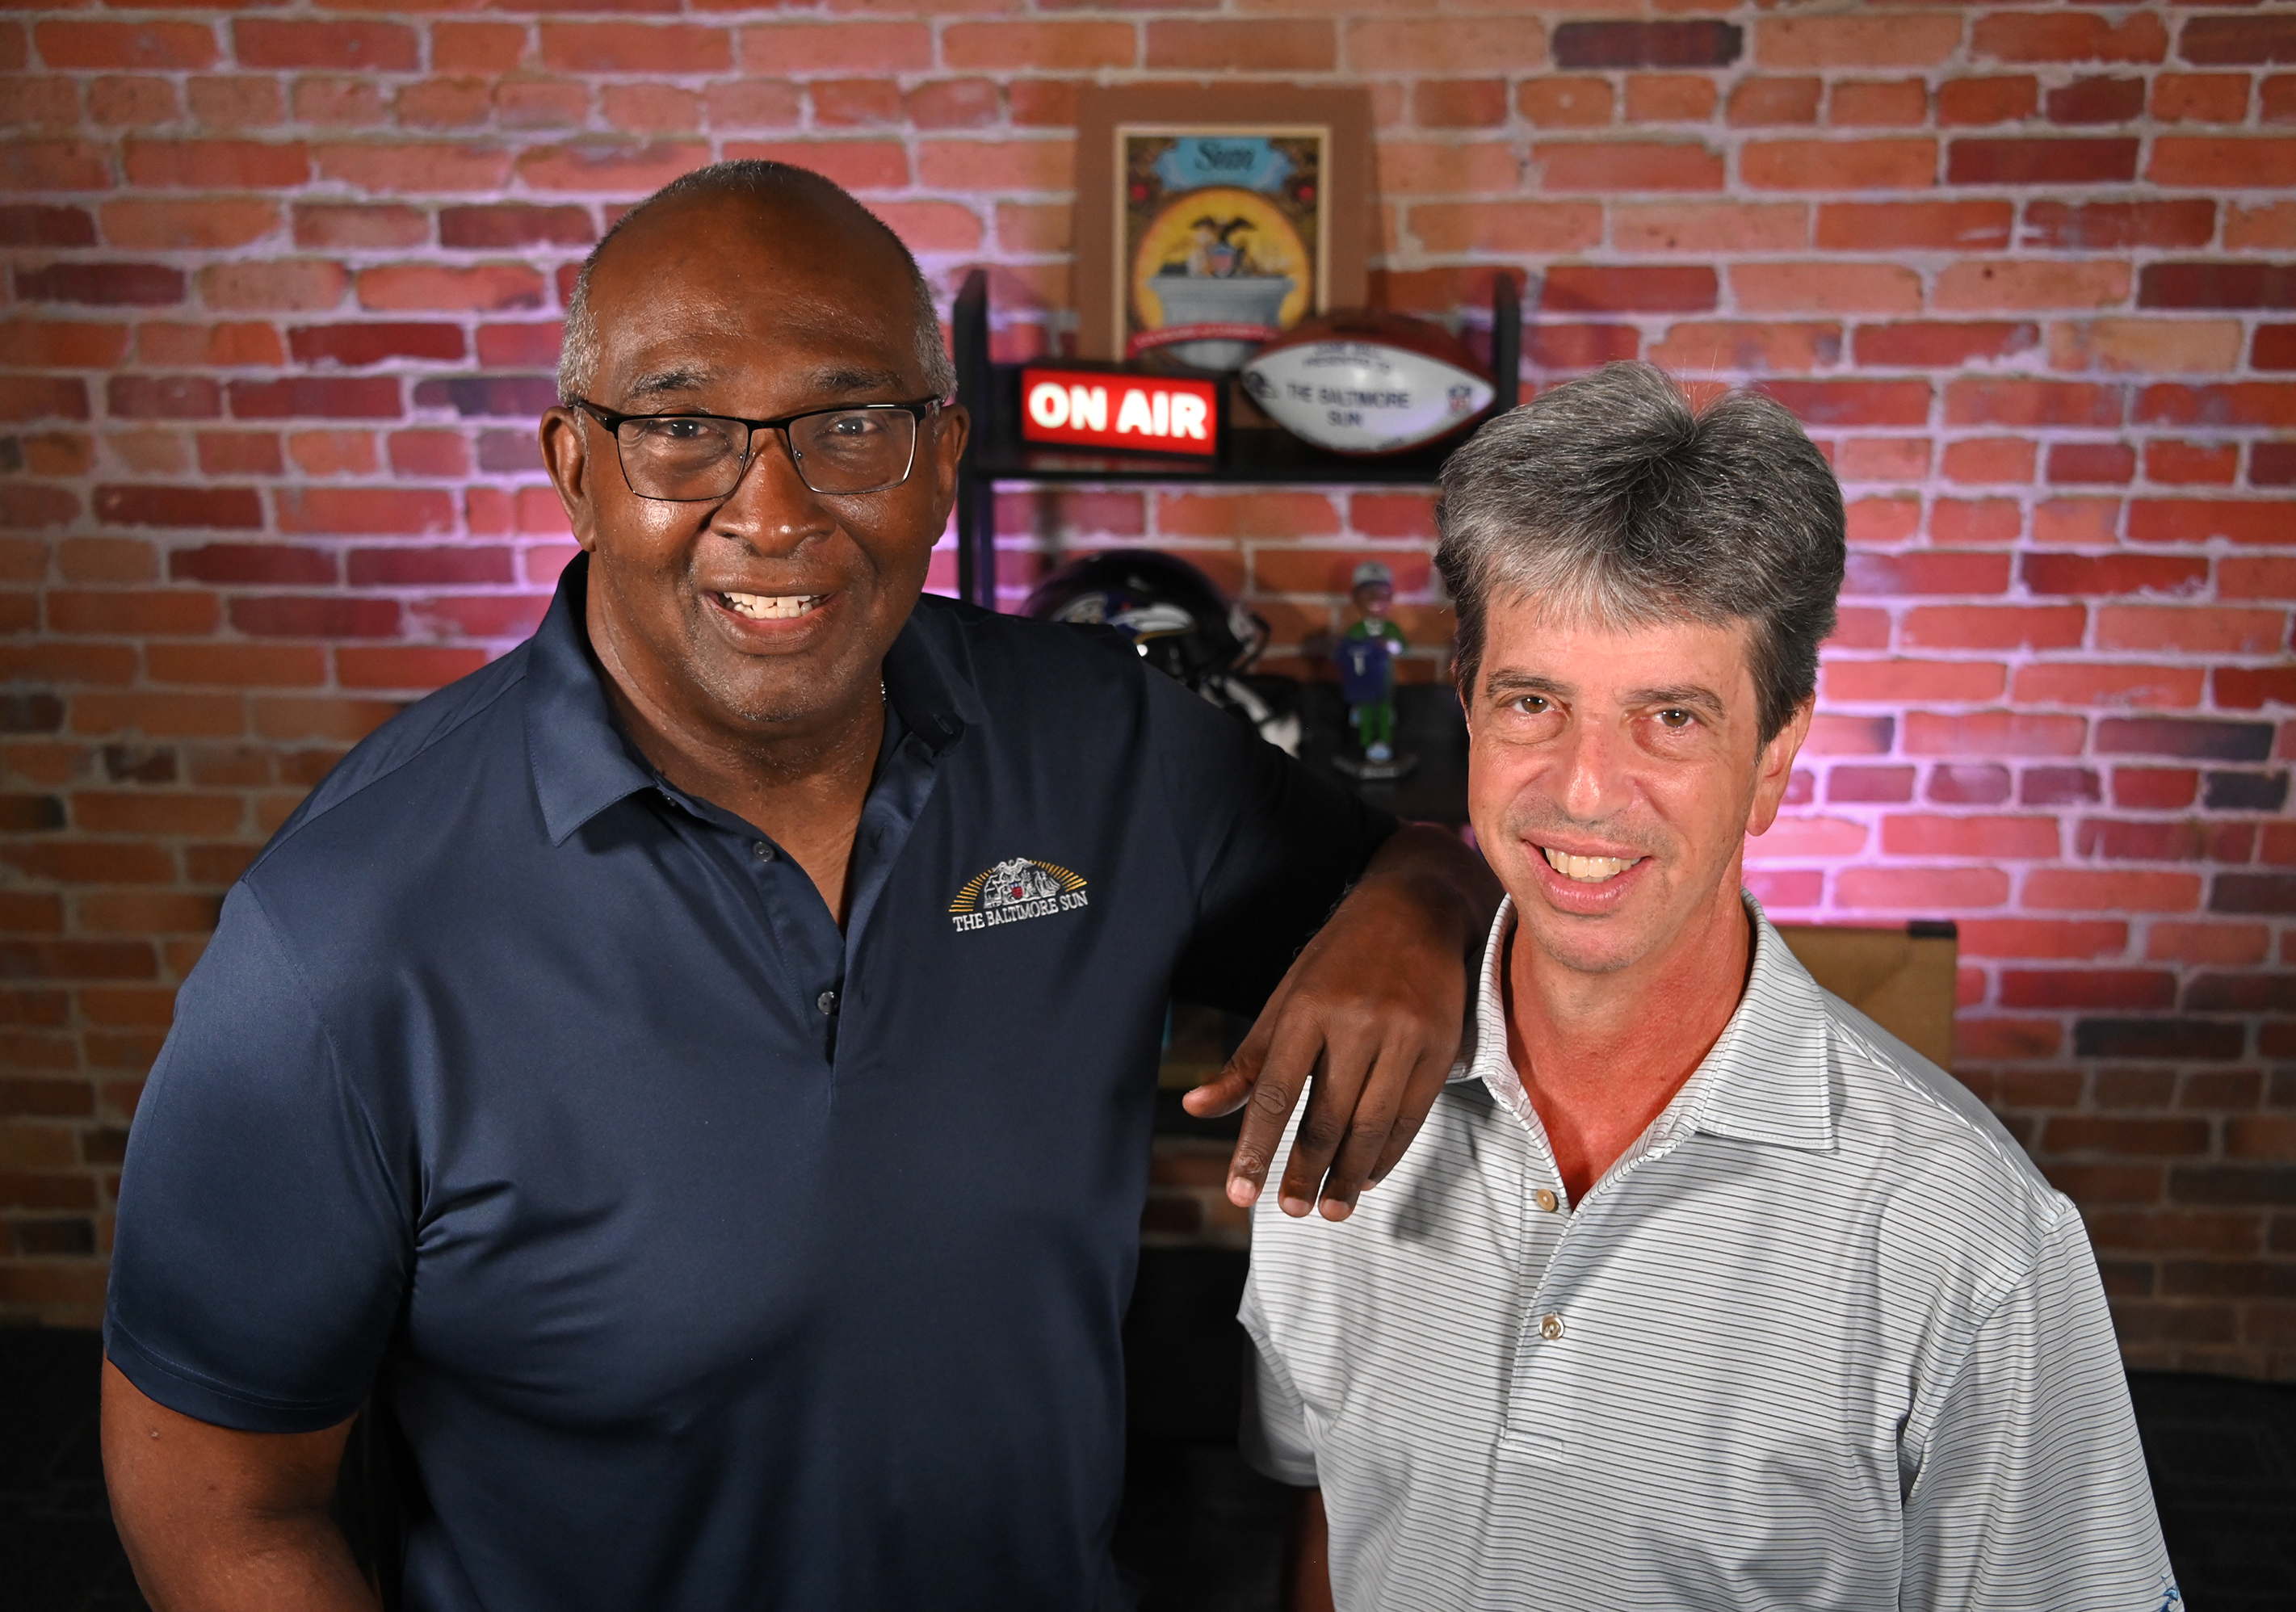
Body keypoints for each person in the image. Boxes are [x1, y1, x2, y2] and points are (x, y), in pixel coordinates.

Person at [99, 161, 1498, 1612]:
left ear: (944, 455)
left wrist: (1425, 896)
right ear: (576, 468)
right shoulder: (339, 930)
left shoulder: (1109, 747)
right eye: (684, 428)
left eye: (850, 425)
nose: (773, 511)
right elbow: (217, 1502)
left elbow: (1410, 871)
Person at [1240, 362, 2179, 1612]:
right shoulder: (1340, 1112)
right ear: (1465, 702)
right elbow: (1330, 1518)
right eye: (1534, 701)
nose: (1584, 790)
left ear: (1776, 751)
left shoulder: (1968, 1241)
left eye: (1671, 719)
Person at [1333, 560, 1407, 768]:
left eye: (1382, 595)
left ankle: (1384, 744)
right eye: (1368, 594)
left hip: (1384, 683)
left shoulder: (1390, 629)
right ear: (1356, 598)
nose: (1375, 600)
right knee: (1365, 714)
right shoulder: (1356, 630)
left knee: (1384, 713)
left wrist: (1388, 645)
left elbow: (1403, 648)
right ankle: (1363, 747)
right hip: (1362, 683)